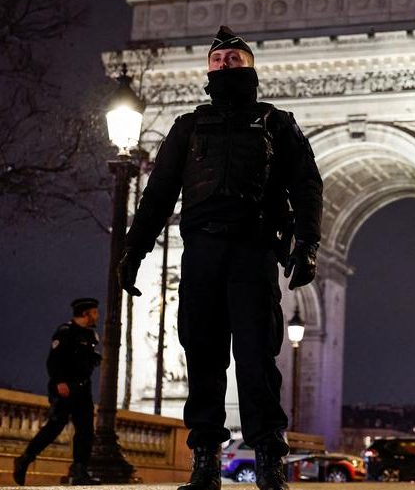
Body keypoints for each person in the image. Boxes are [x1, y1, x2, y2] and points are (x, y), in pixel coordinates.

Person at [117, 25, 323, 490]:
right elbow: (158, 194)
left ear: (251, 68)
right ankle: (205, 461)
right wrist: (135, 248)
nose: (224, 66)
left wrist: (308, 244)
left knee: (257, 358)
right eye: (217, 61)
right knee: (202, 357)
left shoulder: (277, 122)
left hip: (252, 251)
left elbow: (307, 186)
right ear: (207, 72)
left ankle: (269, 460)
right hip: (203, 253)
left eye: (233, 60)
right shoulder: (188, 126)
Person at [14, 298, 102, 486]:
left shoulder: (90, 335)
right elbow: (53, 362)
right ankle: (25, 459)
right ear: (85, 313)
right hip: (65, 388)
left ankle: (80, 470)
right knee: (54, 428)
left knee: (86, 431)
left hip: (83, 389)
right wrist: (60, 382)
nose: (97, 316)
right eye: (94, 312)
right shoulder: (65, 332)